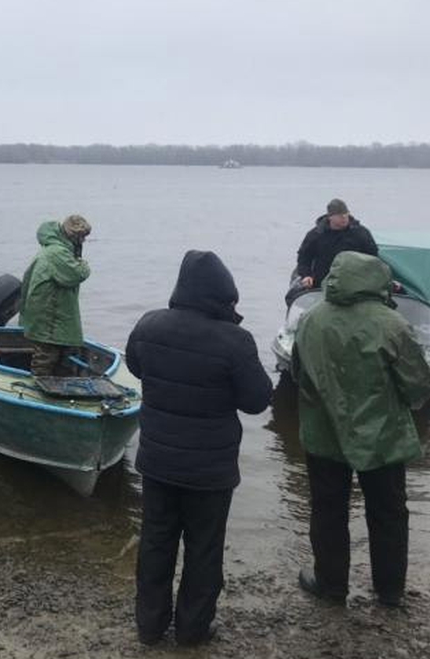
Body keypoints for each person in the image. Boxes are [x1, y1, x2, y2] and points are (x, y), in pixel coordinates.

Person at [125, 250, 272, 646]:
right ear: (224, 294)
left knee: (156, 541)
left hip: (156, 460)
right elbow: (258, 400)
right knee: (204, 550)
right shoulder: (235, 341)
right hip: (210, 472)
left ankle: (149, 626)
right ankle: (192, 630)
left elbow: (135, 366)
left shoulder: (148, 325)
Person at [292, 251, 430, 607]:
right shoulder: (391, 323)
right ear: (378, 281)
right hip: (383, 437)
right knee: (388, 513)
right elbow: (419, 386)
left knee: (328, 510)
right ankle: (389, 591)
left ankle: (331, 585)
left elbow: (297, 373)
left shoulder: (311, 319)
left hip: (324, 433)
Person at [18, 214, 92, 377]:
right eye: (82, 237)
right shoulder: (57, 252)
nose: (84, 241)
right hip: (49, 315)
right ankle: (39, 387)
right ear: (74, 235)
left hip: (50, 311)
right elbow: (78, 274)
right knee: (46, 356)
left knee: (57, 355)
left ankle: (55, 386)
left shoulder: (54, 248)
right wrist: (83, 263)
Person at [294, 198, 378, 291]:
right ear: (330, 217)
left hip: (354, 283)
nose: (344, 218)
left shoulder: (360, 233)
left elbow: (373, 258)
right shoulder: (316, 234)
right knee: (292, 294)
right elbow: (304, 258)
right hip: (322, 283)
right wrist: (306, 275)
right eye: (340, 216)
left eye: (346, 214)